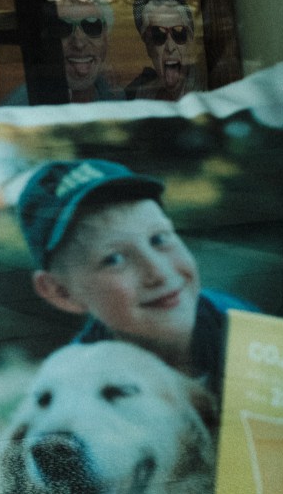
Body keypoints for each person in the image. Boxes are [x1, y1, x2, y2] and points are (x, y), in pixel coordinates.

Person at [17, 158, 254, 391]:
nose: (158, 272)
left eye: (159, 239)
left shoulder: (245, 331)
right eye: (113, 259)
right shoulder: (79, 387)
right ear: (62, 293)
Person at [3, 0, 122, 105]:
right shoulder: (21, 109)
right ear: (44, 43)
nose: (79, 44)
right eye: (62, 28)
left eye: (92, 27)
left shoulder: (113, 96)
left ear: (106, 40)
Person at [125, 0, 202, 100]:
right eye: (158, 35)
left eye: (178, 33)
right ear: (148, 46)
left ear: (190, 39)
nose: (170, 47)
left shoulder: (210, 87)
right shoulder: (142, 96)